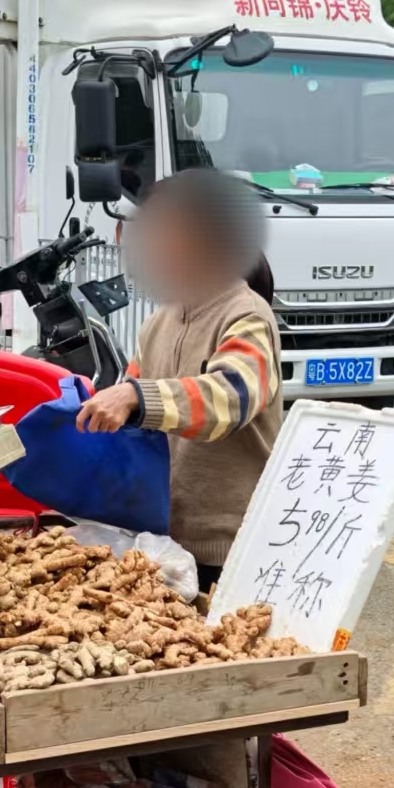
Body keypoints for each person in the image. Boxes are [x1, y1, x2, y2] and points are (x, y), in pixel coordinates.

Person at [74, 169, 282, 585]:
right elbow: (128, 409)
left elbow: (230, 398)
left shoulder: (247, 315)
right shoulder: (158, 323)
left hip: (232, 548)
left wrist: (134, 397)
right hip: (167, 543)